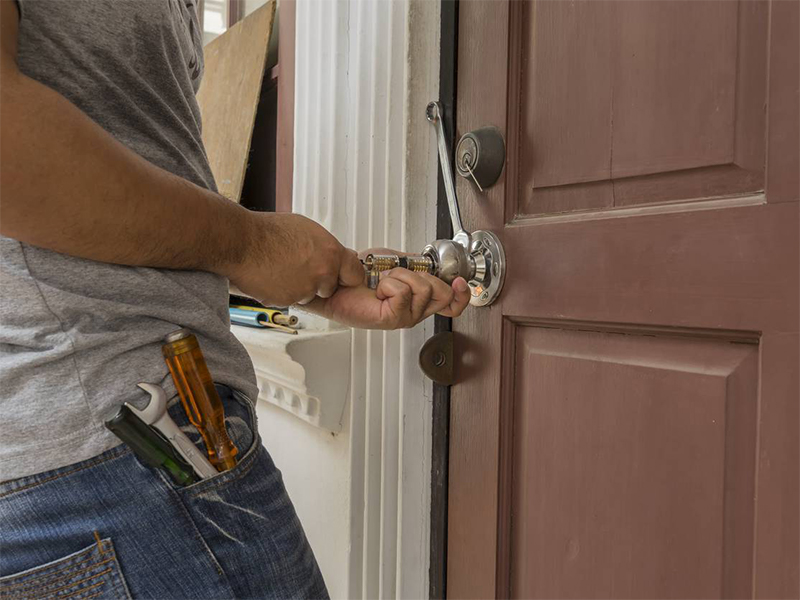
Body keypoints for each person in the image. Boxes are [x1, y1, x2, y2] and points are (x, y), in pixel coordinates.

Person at [0, 1, 469, 598]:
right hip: (126, 457)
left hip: (106, 465)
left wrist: (311, 282)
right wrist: (251, 244)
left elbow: (125, 205)